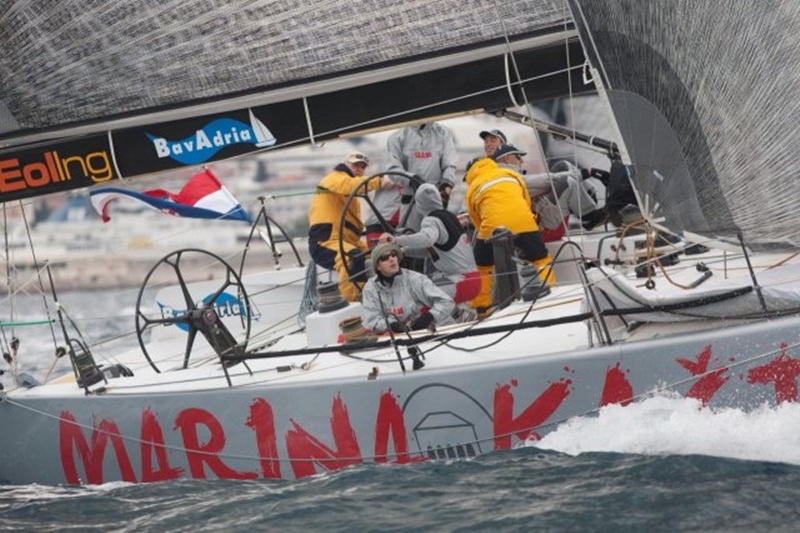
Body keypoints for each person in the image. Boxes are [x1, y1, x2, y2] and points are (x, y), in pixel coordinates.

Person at [464, 155, 556, 313]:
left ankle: (482, 308)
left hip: (492, 227)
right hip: (524, 222)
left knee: (482, 267)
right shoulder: (510, 173)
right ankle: (550, 292)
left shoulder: (472, 187)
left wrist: (488, 233)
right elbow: (526, 200)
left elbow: (476, 219)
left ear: (469, 173)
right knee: (540, 259)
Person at [308, 151, 393, 301]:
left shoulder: (350, 193)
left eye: (362, 167)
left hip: (347, 241)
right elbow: (350, 185)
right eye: (356, 165)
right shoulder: (333, 178)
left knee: (379, 255)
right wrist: (378, 181)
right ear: (346, 164)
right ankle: (353, 301)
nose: (359, 170)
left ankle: (385, 295)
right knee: (352, 258)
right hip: (324, 243)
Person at [378, 183, 480, 308]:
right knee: (423, 286)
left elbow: (427, 239)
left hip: (459, 282)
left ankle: (454, 316)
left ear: (419, 204)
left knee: (413, 301)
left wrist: (396, 240)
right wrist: (404, 251)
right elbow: (431, 251)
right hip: (472, 281)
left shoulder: (431, 220)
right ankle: (458, 314)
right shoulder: (449, 217)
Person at [365, 122, 458, 240]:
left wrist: (446, 186)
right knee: (412, 240)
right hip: (411, 203)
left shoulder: (443, 133)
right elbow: (392, 169)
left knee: (438, 240)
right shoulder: (397, 138)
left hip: (436, 201)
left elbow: (449, 165)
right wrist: (412, 179)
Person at [494, 145, 606, 235]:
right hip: (541, 225)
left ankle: (591, 198)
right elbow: (549, 180)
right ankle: (589, 218)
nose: (522, 161)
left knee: (562, 166)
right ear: (507, 159)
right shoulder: (508, 179)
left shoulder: (503, 175)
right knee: (566, 181)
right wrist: (587, 172)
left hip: (539, 211)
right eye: (518, 157)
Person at [361, 242, 455, 333]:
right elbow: (372, 320)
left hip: (439, 330)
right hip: (402, 336)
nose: (392, 259)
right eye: (385, 258)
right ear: (378, 267)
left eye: (393, 255)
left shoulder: (415, 279)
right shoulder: (370, 288)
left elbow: (446, 301)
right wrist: (391, 325)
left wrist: (430, 316)